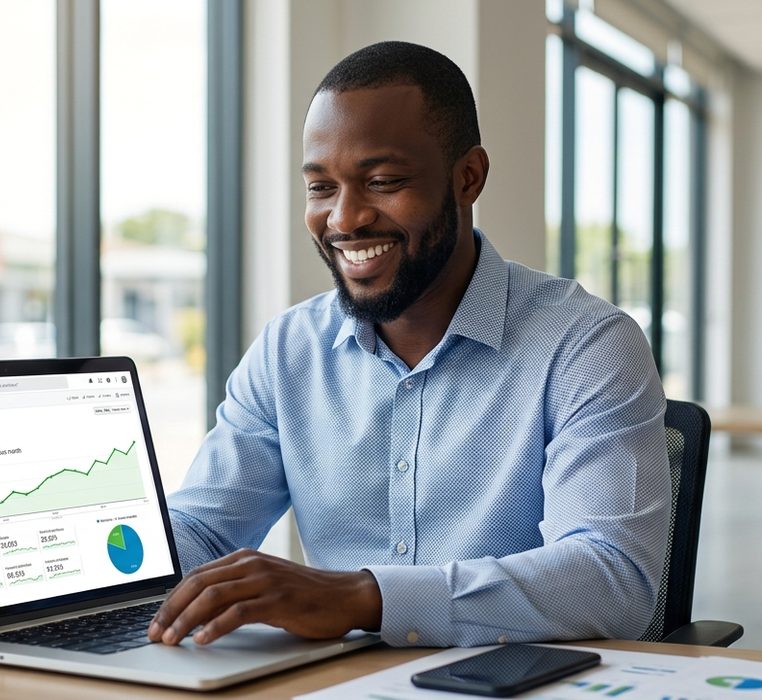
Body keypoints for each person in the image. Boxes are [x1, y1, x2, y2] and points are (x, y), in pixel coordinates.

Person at [147, 41, 669, 649]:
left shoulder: (586, 344)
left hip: (508, 683)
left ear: (468, 177)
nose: (344, 219)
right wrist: (93, 571)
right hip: (330, 683)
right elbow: (205, 528)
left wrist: (362, 598)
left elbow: (610, 580)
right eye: (321, 188)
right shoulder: (288, 349)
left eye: (383, 182)